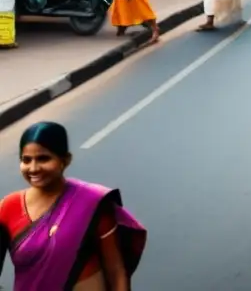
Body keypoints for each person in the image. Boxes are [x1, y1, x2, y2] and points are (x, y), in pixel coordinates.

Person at [0, 122, 147, 289]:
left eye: (44, 158)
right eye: (26, 160)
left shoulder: (92, 202)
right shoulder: (7, 208)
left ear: (65, 160)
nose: (33, 168)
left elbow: (116, 270)